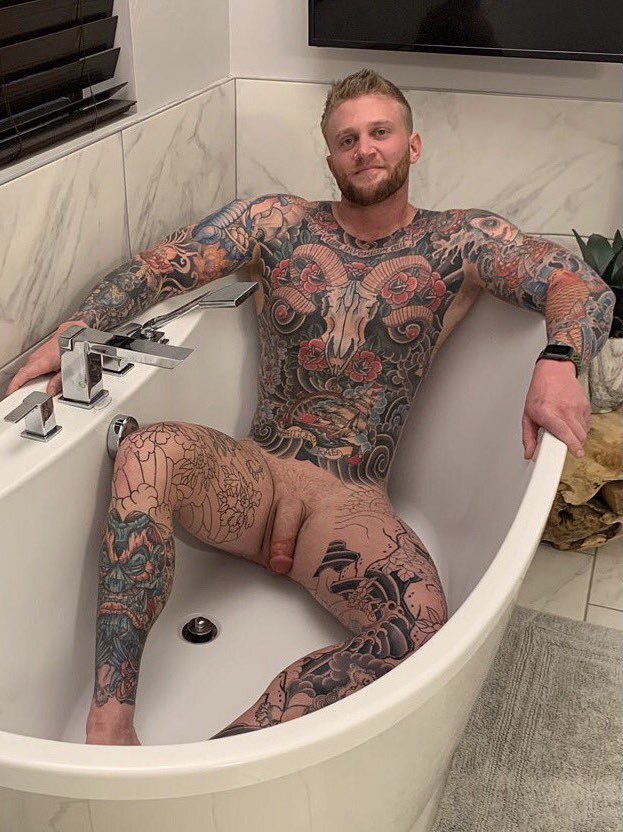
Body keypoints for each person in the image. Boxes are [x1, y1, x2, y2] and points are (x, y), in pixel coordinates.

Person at [7, 69, 614, 745]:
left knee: (418, 629)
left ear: (412, 145)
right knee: (147, 450)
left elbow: (578, 283)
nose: (364, 149)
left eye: (380, 132)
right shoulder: (276, 224)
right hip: (252, 480)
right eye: (347, 139)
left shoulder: (458, 242)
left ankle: (220, 760)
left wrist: (557, 360)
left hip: (347, 505)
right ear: (330, 159)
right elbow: (160, 267)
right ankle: (110, 725)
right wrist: (78, 329)